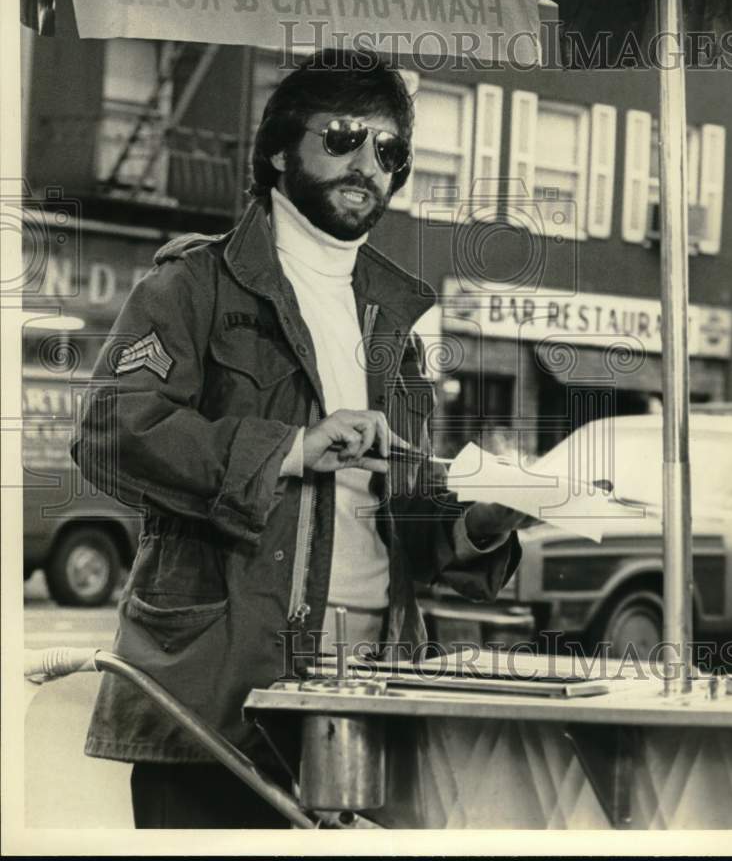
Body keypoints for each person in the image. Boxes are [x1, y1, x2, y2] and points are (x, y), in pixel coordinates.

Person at [72, 50, 528, 829]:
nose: (367, 164)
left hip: (370, 688)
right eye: (343, 137)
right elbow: (112, 431)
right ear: (279, 151)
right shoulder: (190, 286)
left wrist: (480, 525)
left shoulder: (394, 323)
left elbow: (401, 515)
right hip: (217, 693)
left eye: (390, 152)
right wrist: (291, 447)